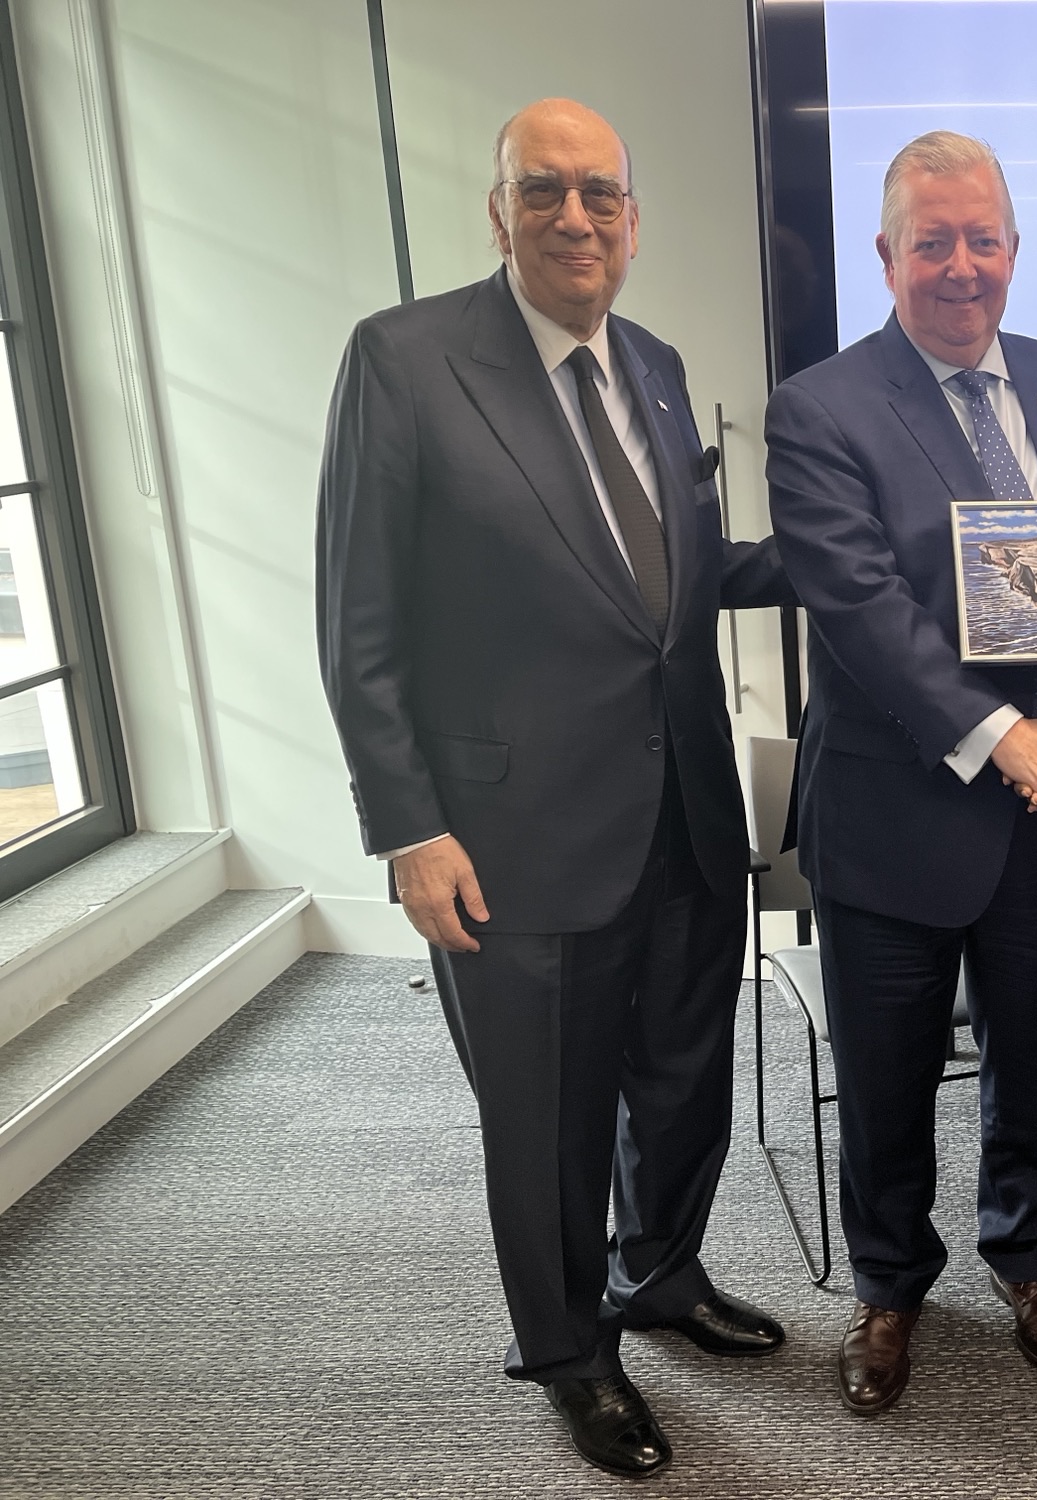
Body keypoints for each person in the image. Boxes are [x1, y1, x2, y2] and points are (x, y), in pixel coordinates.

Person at [317, 98, 793, 1479]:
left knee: (683, 1081)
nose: (575, 217)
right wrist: (409, 826)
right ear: (499, 210)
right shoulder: (405, 361)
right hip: (511, 832)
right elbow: (358, 622)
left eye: (600, 194)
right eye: (544, 190)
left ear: (634, 221)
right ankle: (570, 1352)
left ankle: (661, 1276)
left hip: (685, 812)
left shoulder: (654, 363)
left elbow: (680, 582)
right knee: (546, 1121)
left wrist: (868, 551)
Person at [763, 130, 1037, 1416]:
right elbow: (862, 608)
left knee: (1033, 1052)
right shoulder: (820, 408)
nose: (961, 266)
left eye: (983, 239)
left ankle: (1028, 1260)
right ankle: (888, 1286)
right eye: (932, 242)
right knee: (885, 1075)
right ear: (886, 257)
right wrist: (1001, 735)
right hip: (895, 808)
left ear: (1014, 250)